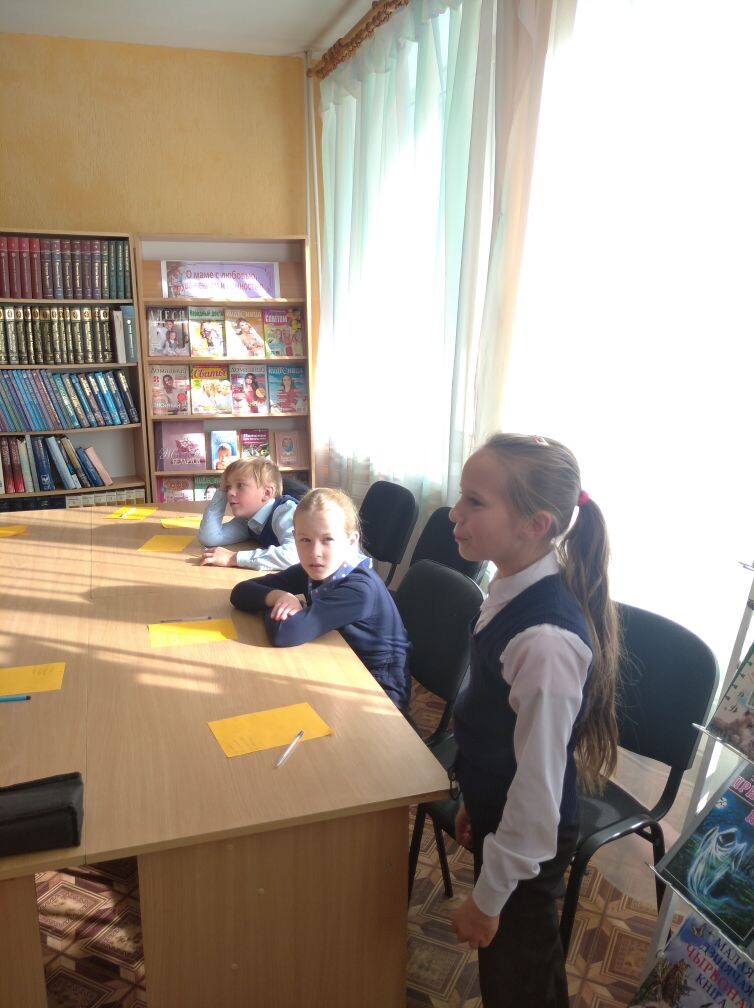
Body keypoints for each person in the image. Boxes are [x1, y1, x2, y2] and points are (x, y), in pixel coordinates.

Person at [448, 433, 620, 1008]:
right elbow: (499, 725)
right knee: (524, 973)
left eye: (475, 501)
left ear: (535, 524)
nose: (454, 513)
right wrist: (476, 799)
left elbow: (538, 794)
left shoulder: (545, 640)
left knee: (517, 985)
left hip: (526, 841)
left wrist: (487, 899)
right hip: (502, 817)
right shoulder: (507, 584)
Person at [229, 487, 411, 711]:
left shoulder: (359, 590)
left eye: (327, 540)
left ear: (351, 541)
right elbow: (240, 592)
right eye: (305, 540)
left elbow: (285, 633)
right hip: (337, 664)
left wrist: (276, 604)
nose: (315, 552)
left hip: (378, 688)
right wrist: (280, 596)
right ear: (294, 538)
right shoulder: (314, 568)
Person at [198, 456, 299, 570]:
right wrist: (221, 491)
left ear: (266, 493)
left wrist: (233, 558)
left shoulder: (285, 512)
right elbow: (209, 537)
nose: (230, 492)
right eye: (228, 487)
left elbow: (296, 555)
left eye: (240, 485)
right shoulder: (248, 519)